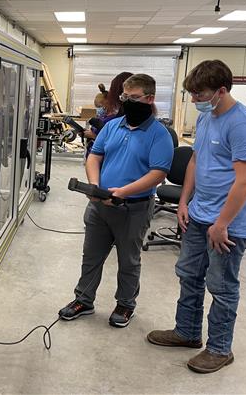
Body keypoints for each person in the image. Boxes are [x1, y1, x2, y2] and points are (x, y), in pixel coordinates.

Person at [147, 60, 246, 373]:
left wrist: (222, 223)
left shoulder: (244, 125)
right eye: (194, 95)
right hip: (199, 214)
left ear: (222, 90)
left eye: (201, 95)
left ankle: (219, 349)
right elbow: (195, 162)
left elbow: (245, 181)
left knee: (221, 286)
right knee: (188, 274)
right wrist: (184, 201)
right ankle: (186, 332)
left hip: (228, 225)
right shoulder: (207, 119)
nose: (196, 100)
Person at [59, 74, 174, 327]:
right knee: (91, 256)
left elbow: (158, 173)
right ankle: (84, 300)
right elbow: (94, 156)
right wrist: (96, 186)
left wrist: (123, 192)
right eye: (124, 97)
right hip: (100, 206)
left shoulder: (160, 135)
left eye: (134, 98)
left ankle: (125, 305)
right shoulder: (112, 126)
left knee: (128, 261)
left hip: (133, 209)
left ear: (150, 99)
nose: (127, 102)